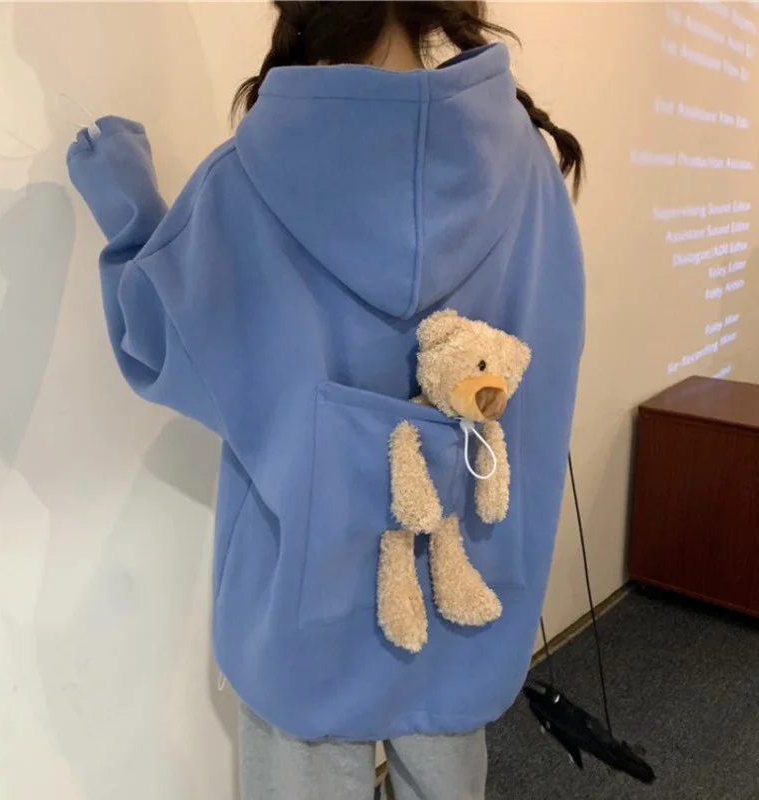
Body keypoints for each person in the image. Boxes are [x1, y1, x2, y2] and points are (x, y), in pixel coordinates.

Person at [67, 2, 585, 798]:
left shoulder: (246, 179)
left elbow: (160, 339)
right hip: (462, 595)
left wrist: (128, 204)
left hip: (299, 611)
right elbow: (541, 386)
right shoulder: (522, 163)